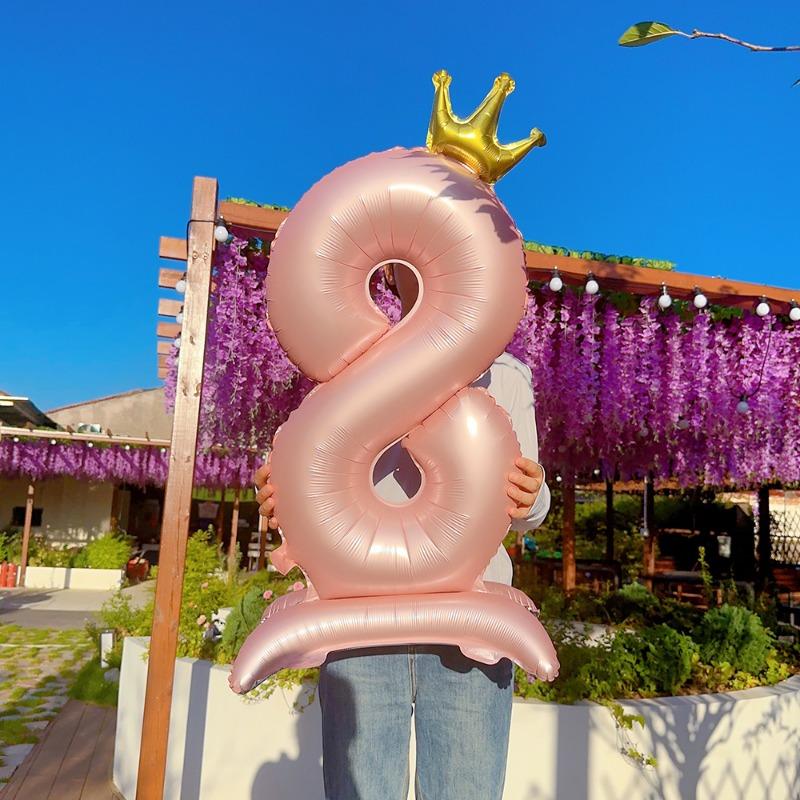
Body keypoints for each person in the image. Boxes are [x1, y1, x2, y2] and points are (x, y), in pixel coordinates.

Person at [255, 263, 550, 800]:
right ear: (390, 270)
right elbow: (308, 481)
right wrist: (280, 500)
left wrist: (534, 493)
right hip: (362, 626)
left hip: (467, 632)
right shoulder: (344, 371)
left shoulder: (505, 375)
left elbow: (529, 505)